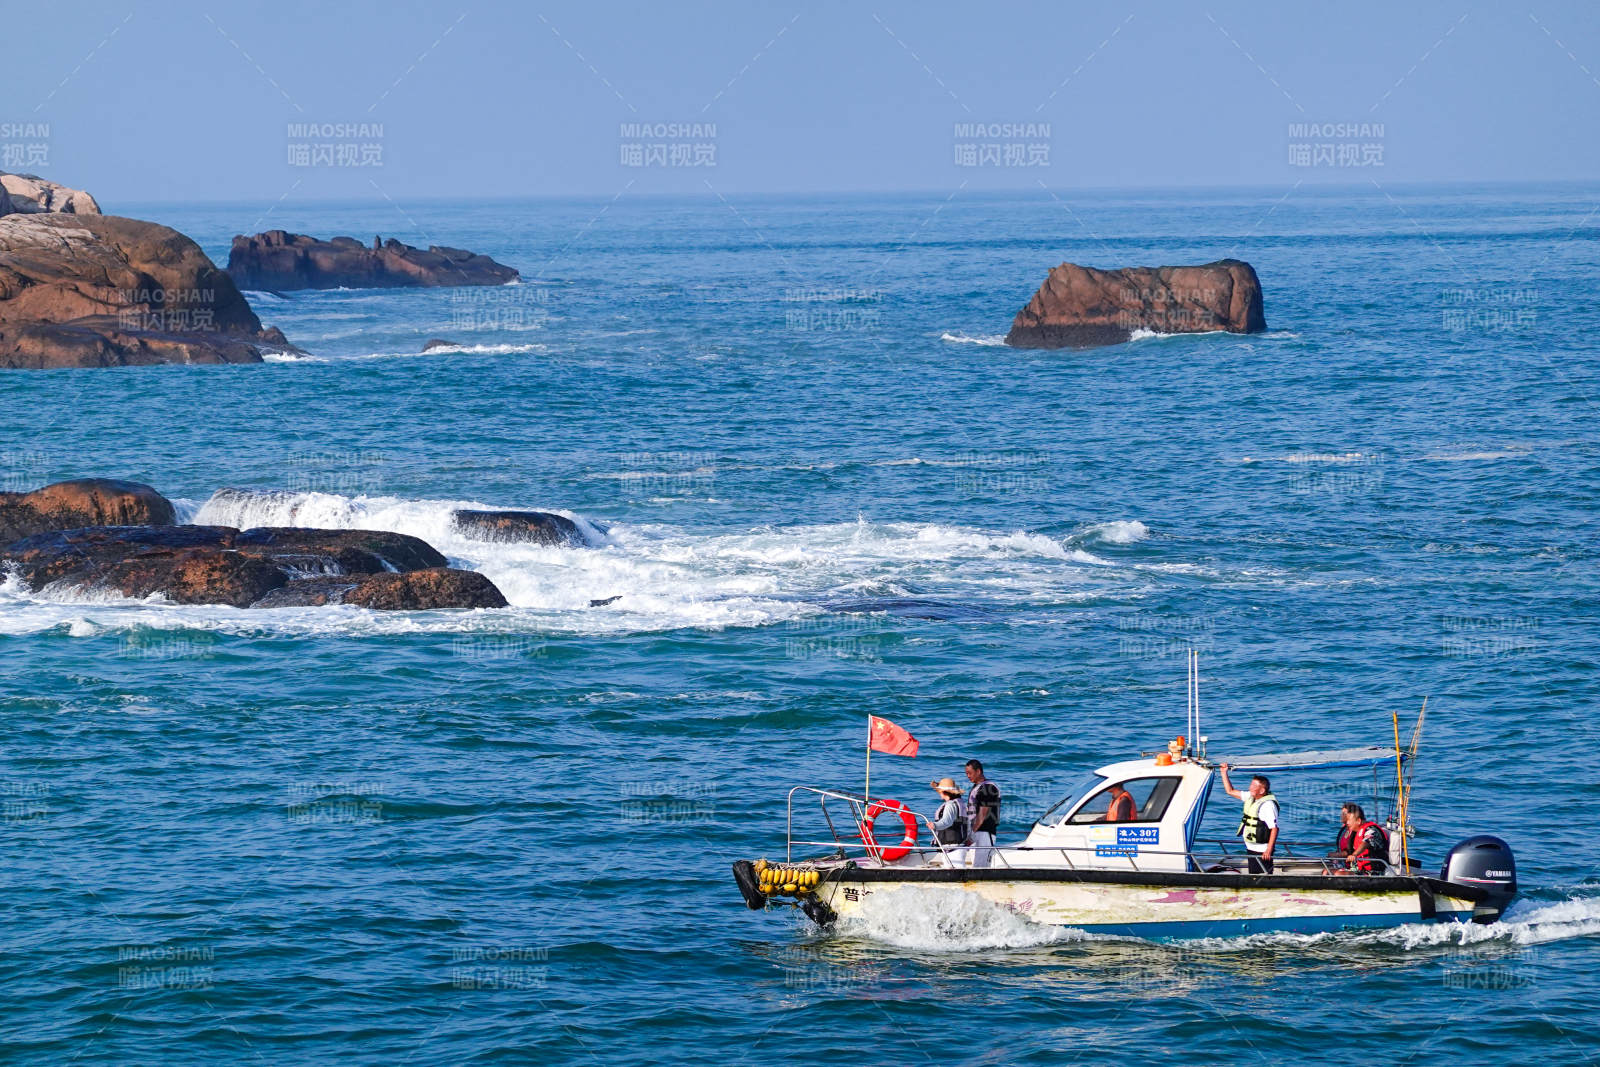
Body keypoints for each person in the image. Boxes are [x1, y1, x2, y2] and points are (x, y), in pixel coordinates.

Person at [1219, 764, 1278, 874]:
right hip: (1251, 846)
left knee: (1262, 876)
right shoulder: (1251, 796)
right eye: (1250, 785)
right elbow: (1230, 791)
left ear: (1261, 791)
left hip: (1262, 849)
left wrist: (1269, 849)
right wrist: (1223, 773)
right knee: (1253, 874)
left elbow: (1274, 829)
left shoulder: (1267, 805)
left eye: (1253, 786)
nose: (1250, 788)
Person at [961, 759, 1001, 869]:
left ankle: (979, 882)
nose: (967, 776)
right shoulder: (977, 787)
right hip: (975, 830)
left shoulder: (988, 788)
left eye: (969, 773)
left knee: (980, 864)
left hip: (984, 832)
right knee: (974, 861)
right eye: (966, 773)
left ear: (978, 771)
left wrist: (972, 833)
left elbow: (983, 812)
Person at [1334, 802, 1390, 875]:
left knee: (1338, 874)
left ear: (1358, 821)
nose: (1346, 822)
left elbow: (1367, 841)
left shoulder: (1372, 830)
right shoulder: (1354, 831)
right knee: (1327, 871)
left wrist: (1354, 855)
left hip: (1373, 872)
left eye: (1348, 820)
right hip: (1358, 869)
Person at [929, 777, 968, 850]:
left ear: (944, 792)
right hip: (960, 844)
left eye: (939, 791)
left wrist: (934, 825)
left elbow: (947, 821)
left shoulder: (950, 805)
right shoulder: (961, 803)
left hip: (950, 846)